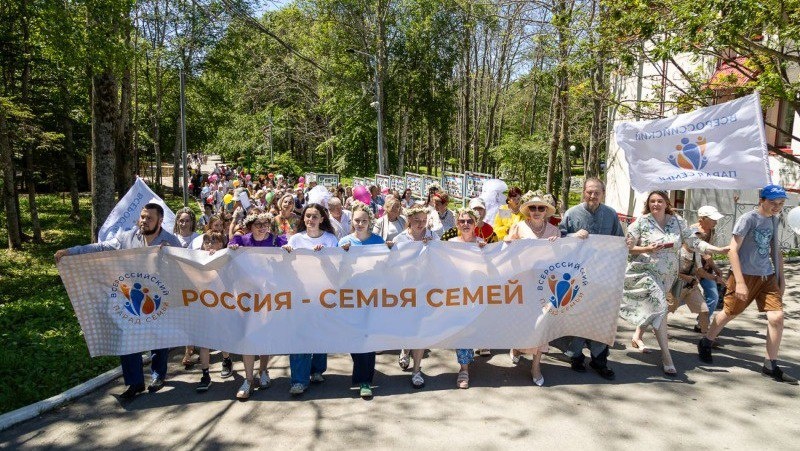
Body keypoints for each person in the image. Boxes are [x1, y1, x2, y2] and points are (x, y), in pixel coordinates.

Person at [54, 203, 183, 400]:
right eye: (142, 216)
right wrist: (71, 251)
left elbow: (184, 266)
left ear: (160, 221)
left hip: (159, 298)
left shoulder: (171, 241)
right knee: (128, 339)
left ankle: (158, 375)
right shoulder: (126, 237)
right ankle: (135, 383)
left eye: (149, 218)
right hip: (131, 297)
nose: (144, 221)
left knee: (158, 338)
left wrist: (171, 257)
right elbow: (101, 247)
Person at [698, 185, 797, 384]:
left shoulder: (774, 219)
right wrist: (740, 282)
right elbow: (733, 250)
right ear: (762, 200)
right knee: (730, 313)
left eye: (780, 203)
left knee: (777, 317)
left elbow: (775, 250)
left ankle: (770, 365)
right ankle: (706, 341)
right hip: (744, 275)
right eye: (773, 203)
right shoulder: (748, 219)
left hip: (767, 276)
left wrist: (781, 278)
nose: (777, 207)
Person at [621, 191, 726, 376]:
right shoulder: (641, 222)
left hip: (668, 277)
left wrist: (717, 249)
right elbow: (628, 247)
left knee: (657, 310)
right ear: (648, 204)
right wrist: (647, 248)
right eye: (652, 201)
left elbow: (694, 242)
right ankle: (666, 356)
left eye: (659, 201)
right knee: (661, 308)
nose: (656, 204)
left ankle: (638, 336)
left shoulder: (678, 222)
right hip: (646, 272)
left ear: (666, 203)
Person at [558, 178, 623, 380]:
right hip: (577, 276)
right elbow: (559, 240)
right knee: (578, 315)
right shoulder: (572, 214)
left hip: (604, 275)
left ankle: (599, 360)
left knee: (601, 318)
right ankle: (576, 356)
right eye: (589, 192)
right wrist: (573, 236)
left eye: (596, 192)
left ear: (603, 193)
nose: (592, 196)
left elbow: (619, 241)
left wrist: (628, 243)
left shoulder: (611, 214)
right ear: (583, 192)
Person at [228, 212, 289, 400]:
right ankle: (248, 379)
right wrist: (233, 247)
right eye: (258, 224)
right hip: (246, 296)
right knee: (247, 335)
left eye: (265, 224)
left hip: (268, 296)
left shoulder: (276, 241)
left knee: (264, 334)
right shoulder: (242, 240)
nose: (262, 228)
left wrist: (288, 249)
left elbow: (289, 252)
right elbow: (230, 249)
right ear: (250, 227)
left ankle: (263, 371)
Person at [283, 203, 339, 396]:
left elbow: (339, 266)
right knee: (300, 335)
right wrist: (287, 253)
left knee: (319, 333)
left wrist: (325, 256)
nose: (310, 219)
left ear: (322, 219)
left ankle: (317, 370)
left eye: (315, 216)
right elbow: (288, 266)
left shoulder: (330, 239)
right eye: (307, 216)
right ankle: (299, 380)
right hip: (300, 295)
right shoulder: (296, 239)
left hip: (324, 295)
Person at [504, 192, 559, 386]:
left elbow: (561, 257)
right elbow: (506, 249)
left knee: (542, 322)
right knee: (522, 321)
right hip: (522, 282)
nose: (536, 211)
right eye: (533, 207)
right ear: (527, 210)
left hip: (545, 284)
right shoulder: (519, 227)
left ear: (546, 211)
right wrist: (509, 242)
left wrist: (558, 245)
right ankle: (517, 347)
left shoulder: (554, 230)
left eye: (541, 208)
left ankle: (536, 366)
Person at [339, 201, 386, 399]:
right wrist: (343, 255)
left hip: (372, 296)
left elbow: (385, 266)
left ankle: (365, 380)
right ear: (352, 221)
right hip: (351, 297)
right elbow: (338, 270)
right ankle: (362, 371)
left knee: (368, 336)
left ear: (369, 222)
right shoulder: (344, 242)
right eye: (357, 220)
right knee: (354, 337)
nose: (360, 224)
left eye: (364, 221)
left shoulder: (377, 241)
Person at [392, 205, 436, 388]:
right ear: (409, 219)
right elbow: (392, 264)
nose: (420, 224)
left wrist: (431, 247)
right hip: (405, 291)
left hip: (425, 290)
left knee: (421, 329)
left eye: (424, 220)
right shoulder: (400, 239)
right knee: (406, 326)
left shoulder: (433, 236)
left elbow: (441, 259)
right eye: (417, 220)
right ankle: (405, 347)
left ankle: (417, 370)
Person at [448, 208, 487, 389]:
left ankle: (470, 356)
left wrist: (488, 252)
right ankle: (464, 370)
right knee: (462, 330)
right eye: (462, 221)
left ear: (475, 224)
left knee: (472, 330)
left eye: (469, 221)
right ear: (457, 224)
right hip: (457, 295)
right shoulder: (449, 244)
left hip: (477, 294)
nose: (465, 224)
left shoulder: (482, 244)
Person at [195, 231, 229, 392]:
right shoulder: (196, 259)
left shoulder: (227, 258)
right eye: (207, 242)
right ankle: (205, 374)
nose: (209, 245)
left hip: (222, 304)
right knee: (204, 341)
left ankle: (226, 359)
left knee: (222, 336)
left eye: (214, 241)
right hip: (202, 305)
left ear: (221, 244)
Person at [692, 206, 728, 330]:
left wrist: (714, 267)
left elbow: (708, 252)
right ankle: (659, 319)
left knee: (713, 296)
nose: (716, 222)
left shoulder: (712, 231)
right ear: (702, 219)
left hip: (706, 269)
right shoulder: (693, 231)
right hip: (691, 270)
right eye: (713, 219)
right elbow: (698, 253)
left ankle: (701, 324)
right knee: (680, 298)